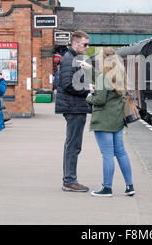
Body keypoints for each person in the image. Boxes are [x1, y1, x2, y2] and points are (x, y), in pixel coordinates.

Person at [86, 47, 135, 197]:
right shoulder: (120, 75)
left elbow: (99, 100)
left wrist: (88, 96)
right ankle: (129, 186)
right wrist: (90, 70)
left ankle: (107, 188)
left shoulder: (103, 77)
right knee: (121, 152)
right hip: (117, 120)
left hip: (104, 121)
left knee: (107, 154)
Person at [55, 30, 93, 192]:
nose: (87, 47)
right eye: (85, 44)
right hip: (74, 107)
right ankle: (70, 180)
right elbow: (68, 84)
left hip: (75, 106)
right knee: (73, 145)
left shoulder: (74, 59)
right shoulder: (69, 59)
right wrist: (87, 89)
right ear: (75, 43)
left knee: (72, 144)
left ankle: (69, 179)